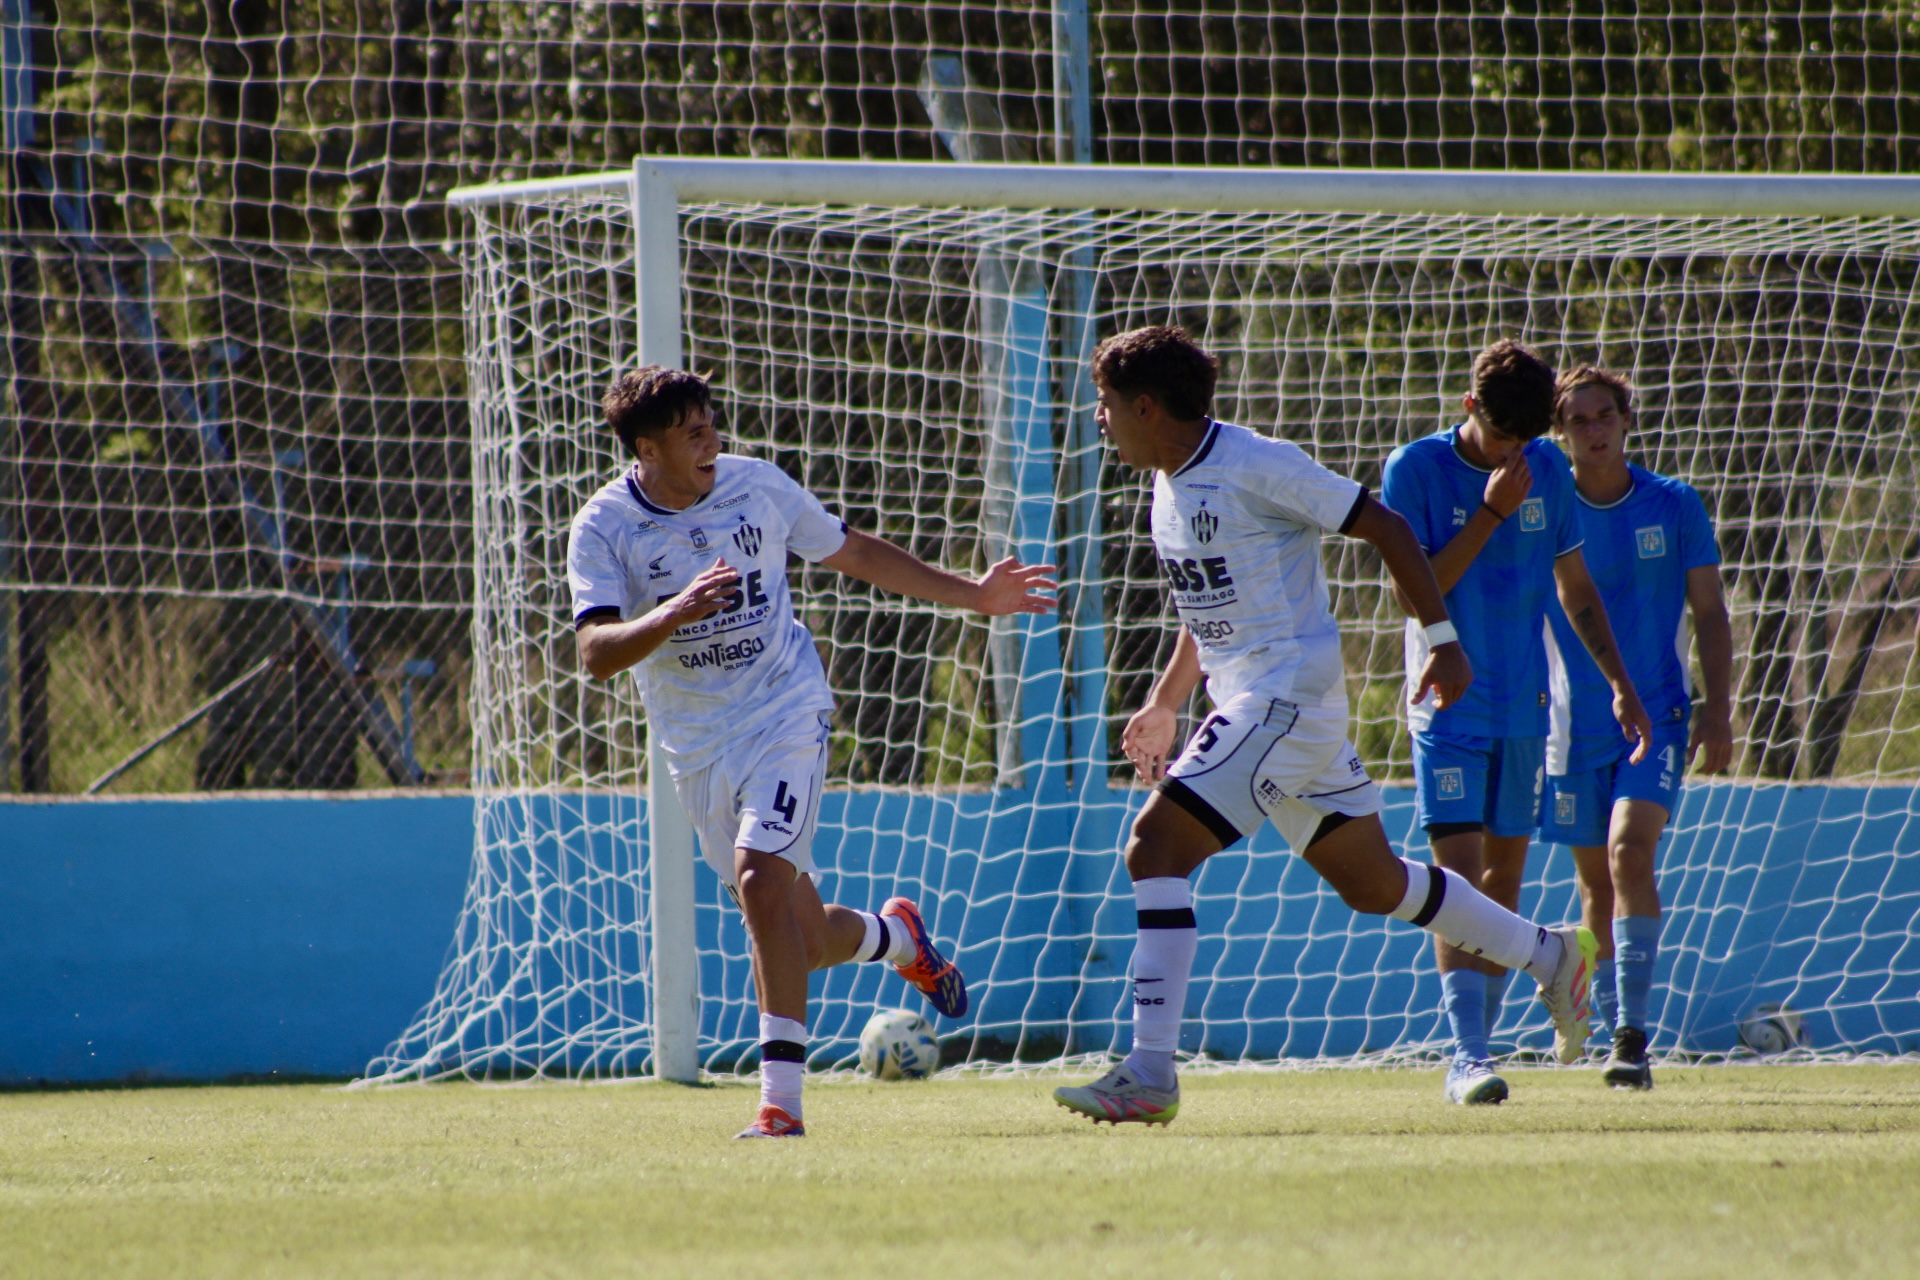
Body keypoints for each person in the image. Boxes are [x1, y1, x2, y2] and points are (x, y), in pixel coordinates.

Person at [1052, 326, 1598, 1127]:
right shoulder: (1168, 487)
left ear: (1145, 406)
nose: (1099, 419)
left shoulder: (1254, 464)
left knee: (1154, 847)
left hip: (1286, 700)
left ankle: (1149, 1072)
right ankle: (1553, 954)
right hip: (1256, 702)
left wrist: (1443, 643)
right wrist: (1167, 700)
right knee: (1372, 883)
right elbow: (1209, 618)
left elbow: (1385, 528)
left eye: (1105, 405)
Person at [569, 366, 1056, 1138]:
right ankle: (897, 937)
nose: (711, 442)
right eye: (691, 432)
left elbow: (851, 551)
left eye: (711, 425)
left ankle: (780, 1107)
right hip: (696, 746)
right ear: (645, 449)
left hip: (786, 710)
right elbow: (596, 652)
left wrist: (974, 593)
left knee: (762, 880)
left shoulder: (756, 486)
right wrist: (675, 612)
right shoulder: (604, 528)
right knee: (801, 935)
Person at [1380, 338, 1653, 1105]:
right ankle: (1466, 1057)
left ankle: (1486, 1041)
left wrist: (1620, 686)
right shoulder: (1417, 470)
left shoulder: (1550, 473)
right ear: (1470, 408)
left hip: (1527, 708)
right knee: (1459, 880)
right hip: (1447, 705)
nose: (1512, 453)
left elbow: (1575, 589)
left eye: (1525, 441)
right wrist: (1493, 512)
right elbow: (1416, 593)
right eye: (1502, 437)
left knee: (1502, 888)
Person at [1543, 366, 1732, 1090]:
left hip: (1657, 716)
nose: (1592, 430)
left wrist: (1719, 709)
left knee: (1630, 851)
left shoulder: (1674, 504)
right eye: (1577, 420)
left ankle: (1633, 1035)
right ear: (1561, 433)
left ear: (1627, 421)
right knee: (1595, 887)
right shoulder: (1545, 508)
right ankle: (1591, 1019)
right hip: (1571, 722)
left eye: (1603, 416)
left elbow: (1711, 613)